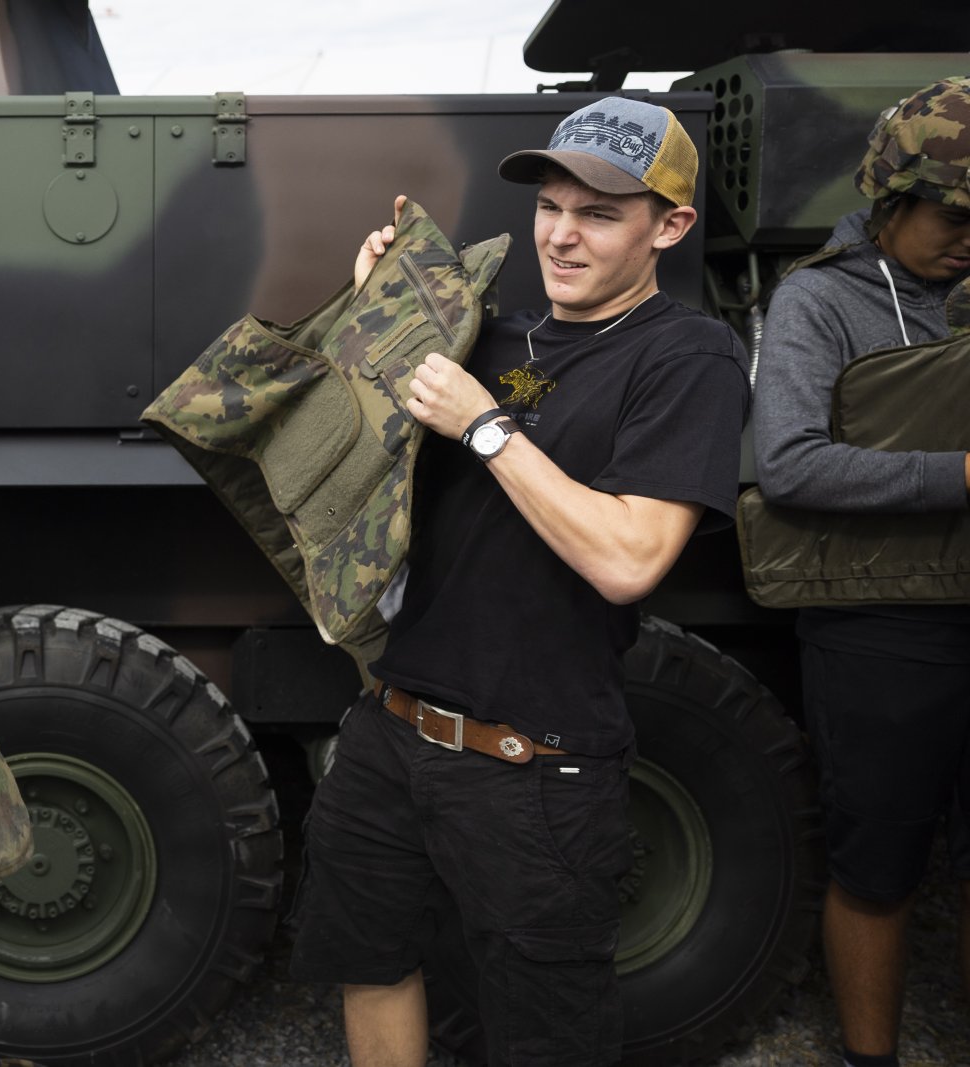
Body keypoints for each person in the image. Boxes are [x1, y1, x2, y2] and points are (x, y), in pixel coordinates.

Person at [288, 97, 751, 1065]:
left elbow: (629, 557)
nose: (561, 234)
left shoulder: (686, 357)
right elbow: (351, 453)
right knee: (370, 959)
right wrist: (377, 306)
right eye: (550, 206)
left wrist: (488, 427)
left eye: (598, 213)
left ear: (668, 227)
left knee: (548, 1032)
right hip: (391, 727)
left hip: (534, 767)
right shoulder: (489, 338)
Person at [753, 78, 970, 1067]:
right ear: (889, 199)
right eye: (952, 212)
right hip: (883, 618)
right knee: (877, 859)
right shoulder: (818, 300)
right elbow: (790, 463)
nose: (966, 235)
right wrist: (958, 472)